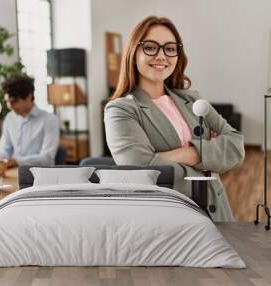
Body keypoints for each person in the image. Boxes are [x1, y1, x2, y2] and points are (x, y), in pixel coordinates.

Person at [104, 16, 245, 222]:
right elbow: (141, 170)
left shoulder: (191, 98)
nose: (162, 56)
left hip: (218, 212)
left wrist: (177, 154)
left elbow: (236, 147)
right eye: (150, 47)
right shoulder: (120, 110)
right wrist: (207, 157)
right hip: (169, 218)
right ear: (134, 52)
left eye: (170, 48)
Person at [0, 74, 59, 171]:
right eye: (7, 101)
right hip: (13, 172)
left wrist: (15, 161)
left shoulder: (49, 120)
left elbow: (47, 159)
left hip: (38, 175)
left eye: (14, 101)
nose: (9, 106)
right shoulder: (10, 118)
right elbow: (5, 148)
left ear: (29, 97)